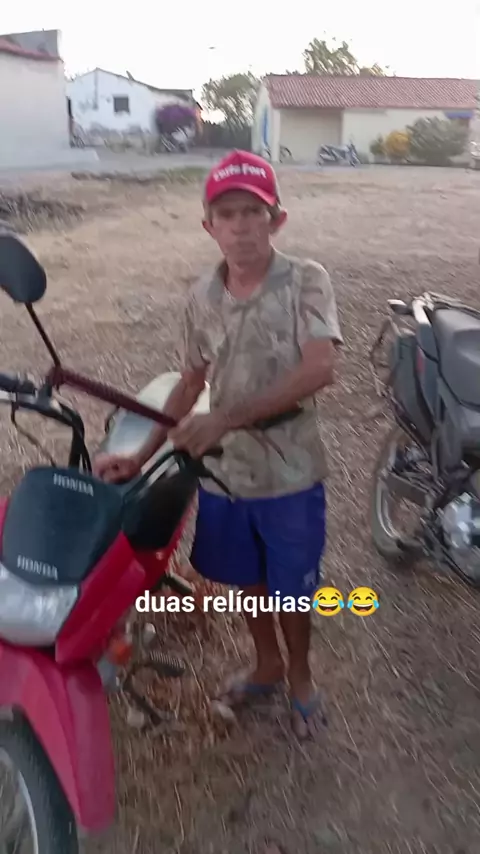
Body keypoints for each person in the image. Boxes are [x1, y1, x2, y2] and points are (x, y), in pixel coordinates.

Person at [93, 149, 343, 740]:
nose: (241, 226)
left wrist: (224, 418)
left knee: (292, 589)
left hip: (289, 470)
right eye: (227, 214)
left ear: (276, 219)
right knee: (249, 579)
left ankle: (301, 677)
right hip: (226, 474)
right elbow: (189, 383)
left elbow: (320, 367)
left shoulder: (305, 280)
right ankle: (267, 664)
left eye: (253, 212)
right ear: (209, 227)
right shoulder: (201, 296)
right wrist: (141, 456)